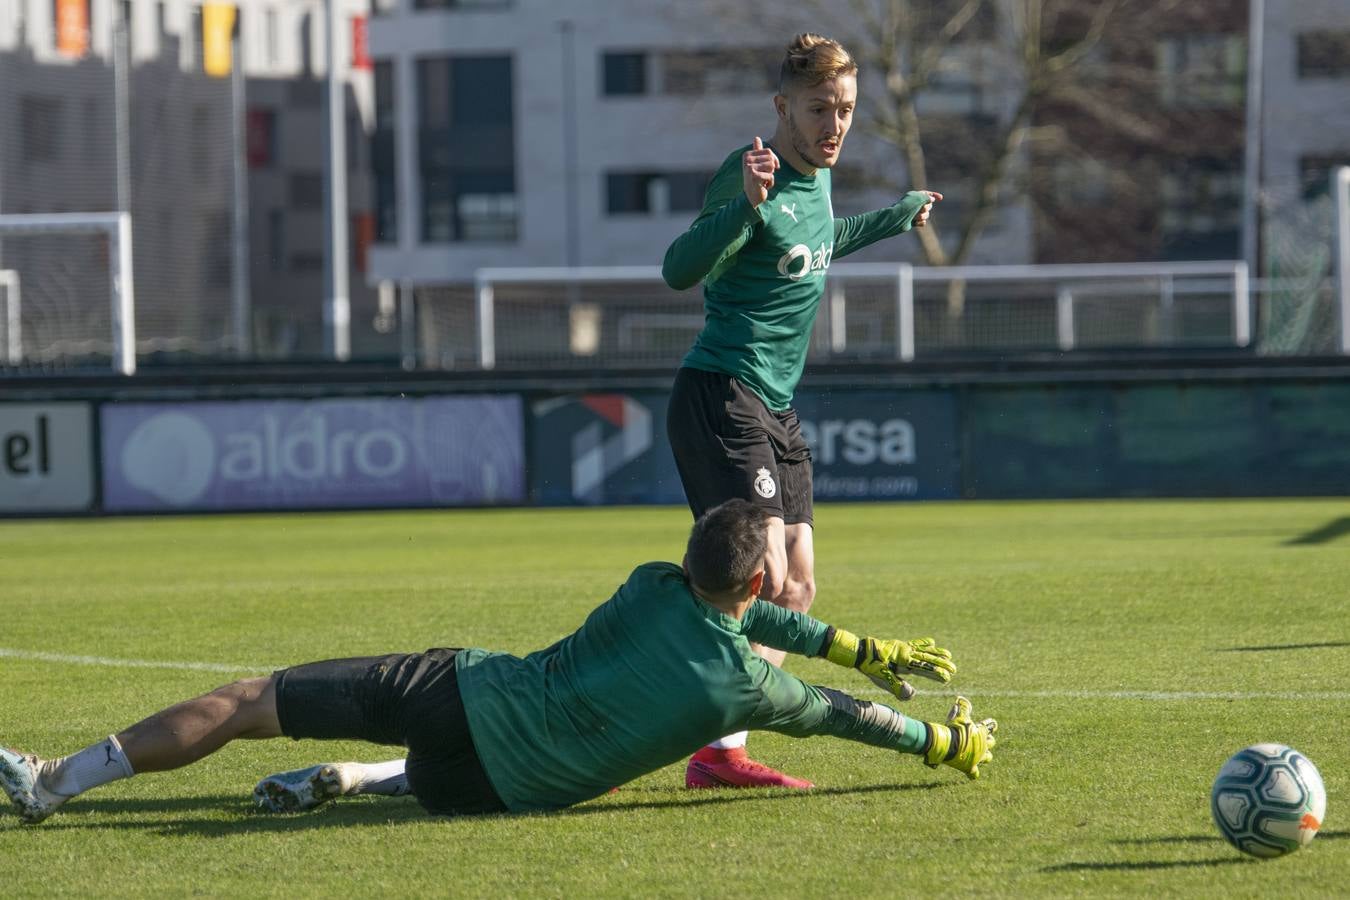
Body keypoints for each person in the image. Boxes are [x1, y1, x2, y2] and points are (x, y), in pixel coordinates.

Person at [0, 501, 995, 824]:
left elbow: (747, 621)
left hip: (463, 695)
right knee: (438, 778)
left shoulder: (654, 584)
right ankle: (356, 781)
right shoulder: (748, 686)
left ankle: (58, 782)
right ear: (755, 591)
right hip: (496, 794)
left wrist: (861, 648)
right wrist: (941, 741)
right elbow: (846, 715)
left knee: (252, 699)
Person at [660, 33, 942, 788]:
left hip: (775, 410)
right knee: (763, 574)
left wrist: (895, 216)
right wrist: (743, 208)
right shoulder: (750, 173)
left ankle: (719, 750)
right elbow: (678, 270)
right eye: (821, 108)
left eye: (846, 109)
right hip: (722, 395)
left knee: (796, 587)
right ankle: (651, 712)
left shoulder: (817, 179)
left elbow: (817, 242)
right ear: (783, 106)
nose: (836, 124)